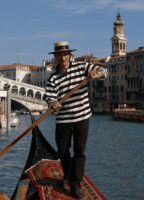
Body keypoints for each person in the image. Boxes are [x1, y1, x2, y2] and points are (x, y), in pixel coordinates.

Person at [44, 41, 108, 199]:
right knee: (63, 151)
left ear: (69, 55)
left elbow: (104, 71)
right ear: (56, 57)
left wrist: (97, 73)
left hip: (81, 116)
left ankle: (75, 183)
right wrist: (53, 103)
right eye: (59, 55)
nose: (63, 57)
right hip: (63, 119)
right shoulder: (53, 78)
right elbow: (48, 95)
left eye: (65, 54)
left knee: (79, 151)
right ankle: (66, 175)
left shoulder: (82, 67)